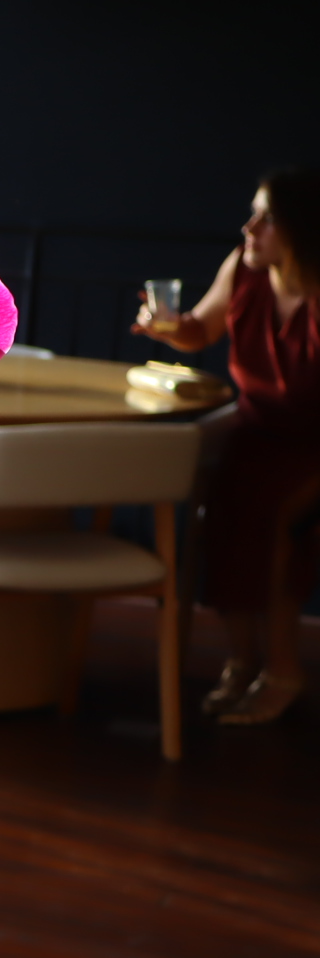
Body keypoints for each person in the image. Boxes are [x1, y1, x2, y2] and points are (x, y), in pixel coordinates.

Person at [134, 169, 320, 726]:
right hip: (255, 431)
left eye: (266, 218)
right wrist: (166, 328)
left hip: (312, 445)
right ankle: (243, 661)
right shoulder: (243, 269)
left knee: (273, 522)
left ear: (302, 230)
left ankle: (283, 669)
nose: (250, 227)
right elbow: (199, 329)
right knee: (219, 519)